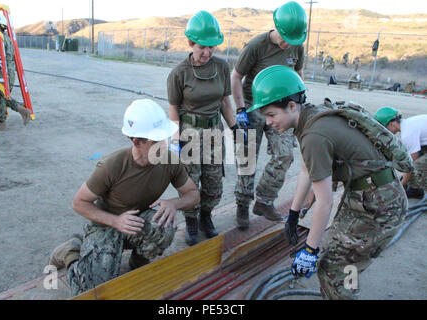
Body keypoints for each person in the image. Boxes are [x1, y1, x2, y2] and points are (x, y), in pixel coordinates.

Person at [249, 65, 407, 299]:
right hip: (368, 196)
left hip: (379, 205)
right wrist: (293, 214)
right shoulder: (312, 117)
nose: (269, 122)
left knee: (335, 268)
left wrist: (310, 250)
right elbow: (306, 169)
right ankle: (347, 288)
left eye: (272, 114)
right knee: (339, 255)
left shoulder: (314, 134)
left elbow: (324, 201)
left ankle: (345, 292)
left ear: (292, 106)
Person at [49, 99, 200, 297]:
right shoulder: (113, 165)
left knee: (166, 227)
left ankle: (138, 264)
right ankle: (72, 250)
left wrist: (174, 203)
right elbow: (79, 203)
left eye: (164, 138)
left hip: (135, 222)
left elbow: (193, 194)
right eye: (156, 141)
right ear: (137, 141)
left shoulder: (169, 159)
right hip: (106, 224)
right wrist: (116, 221)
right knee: (89, 290)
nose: (164, 145)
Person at [232, 1, 307, 230]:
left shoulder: (296, 46)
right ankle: (243, 204)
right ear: (276, 28)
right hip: (254, 107)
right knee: (247, 159)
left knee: (285, 155)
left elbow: (298, 74)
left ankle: (264, 201)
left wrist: (300, 102)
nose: (287, 45)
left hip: (282, 110)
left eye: (293, 41)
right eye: (285, 39)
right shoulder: (257, 46)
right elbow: (236, 76)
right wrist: (240, 109)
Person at [167, 11, 237, 246]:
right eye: (202, 47)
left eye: (212, 47)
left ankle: (206, 216)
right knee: (190, 181)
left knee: (214, 179)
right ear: (190, 43)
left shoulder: (222, 67)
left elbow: (225, 101)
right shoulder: (179, 73)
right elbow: (173, 108)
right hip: (189, 132)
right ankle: (191, 221)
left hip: (215, 132)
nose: (207, 52)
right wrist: (176, 139)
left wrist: (235, 126)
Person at [0, 11, 31, 131]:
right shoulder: (7, 39)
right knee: (3, 96)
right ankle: (22, 110)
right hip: (8, 73)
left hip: (2, 73)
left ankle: (1, 122)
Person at [375, 107, 426, 198]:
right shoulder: (409, 123)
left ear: (391, 124)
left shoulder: (408, 134)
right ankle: (415, 190)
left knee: (419, 165)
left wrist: (401, 185)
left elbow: (411, 165)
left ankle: (417, 188)